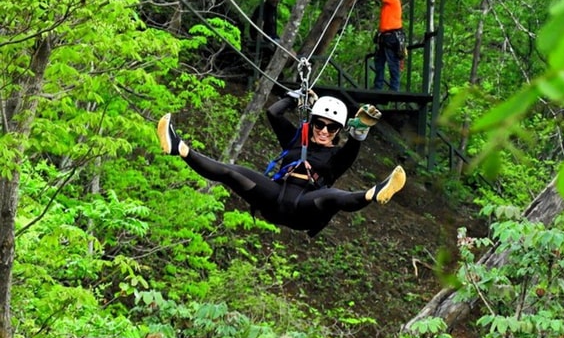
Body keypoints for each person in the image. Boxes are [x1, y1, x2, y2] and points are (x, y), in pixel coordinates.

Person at [156, 92, 406, 237]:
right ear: (313, 122)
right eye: (319, 124)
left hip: (306, 208)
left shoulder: (337, 157)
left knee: (335, 196)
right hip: (276, 198)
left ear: (338, 131)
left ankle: (375, 193)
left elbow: (354, 143)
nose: (324, 131)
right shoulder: (296, 140)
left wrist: (360, 129)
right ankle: (178, 147)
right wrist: (295, 97)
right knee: (231, 172)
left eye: (331, 128)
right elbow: (273, 113)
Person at [364, 0, 406, 91]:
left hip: (392, 36)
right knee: (379, 62)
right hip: (383, 36)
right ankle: (378, 86)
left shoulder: (393, 0)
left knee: (392, 63)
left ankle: (394, 88)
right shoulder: (386, 6)